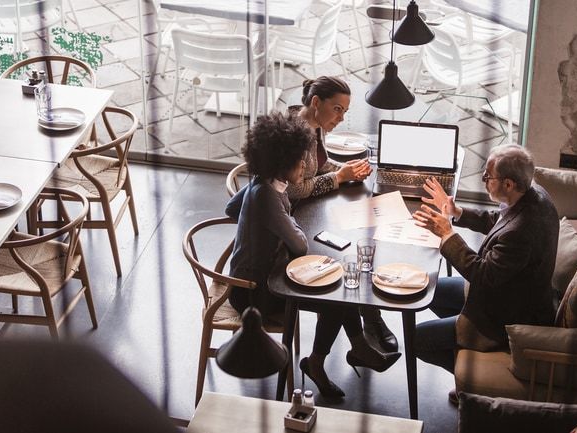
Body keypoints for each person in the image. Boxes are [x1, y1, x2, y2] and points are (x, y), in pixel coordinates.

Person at [225, 112, 400, 399]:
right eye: (301, 161)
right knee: (334, 296)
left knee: (337, 290)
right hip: (253, 293)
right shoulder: (269, 196)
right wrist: (282, 220)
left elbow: (232, 208)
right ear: (284, 163)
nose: (307, 166)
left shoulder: (261, 181)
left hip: (254, 274)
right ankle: (328, 360)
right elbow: (300, 245)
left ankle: (344, 353)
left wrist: (257, 230)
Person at [411, 144, 559, 376]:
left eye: (488, 176)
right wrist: (456, 212)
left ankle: (468, 381)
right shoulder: (534, 195)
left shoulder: (521, 232)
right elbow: (498, 221)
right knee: (428, 289)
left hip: (505, 314)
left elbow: (482, 275)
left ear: (508, 184)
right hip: (505, 291)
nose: (483, 179)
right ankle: (459, 335)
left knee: (415, 339)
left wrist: (447, 234)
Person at [288, 76, 399, 353]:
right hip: (293, 221)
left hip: (307, 211)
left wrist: (348, 170)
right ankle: (370, 318)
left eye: (345, 112)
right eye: (337, 109)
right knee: (348, 255)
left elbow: (319, 166)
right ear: (316, 102)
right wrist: (339, 177)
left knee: (358, 243)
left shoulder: (313, 125)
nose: (341, 118)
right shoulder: (295, 135)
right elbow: (295, 190)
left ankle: (368, 322)